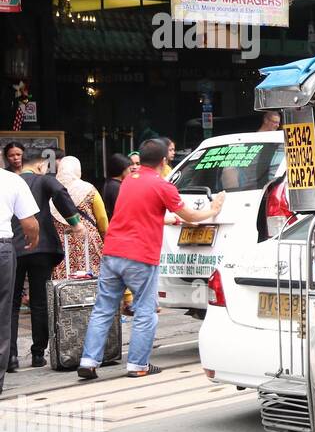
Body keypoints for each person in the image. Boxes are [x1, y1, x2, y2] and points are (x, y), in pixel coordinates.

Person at [77, 138, 225, 380]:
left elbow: (143, 214)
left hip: (113, 252)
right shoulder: (162, 186)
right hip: (140, 256)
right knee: (146, 311)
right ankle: (137, 365)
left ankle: (88, 361)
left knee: (103, 309)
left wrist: (170, 220)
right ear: (164, 161)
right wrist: (214, 209)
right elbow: (191, 215)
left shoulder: (128, 182)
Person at [10, 152, 87, 370]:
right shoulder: (43, 179)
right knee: (39, 302)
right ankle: (37, 354)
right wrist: (75, 222)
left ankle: (10, 357)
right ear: (41, 165)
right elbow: (60, 192)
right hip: (41, 248)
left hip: (12, 248)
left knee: (10, 305)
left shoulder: (10, 181)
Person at [0, 172, 39, 394]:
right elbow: (30, 224)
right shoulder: (12, 180)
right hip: (2, 248)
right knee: (2, 311)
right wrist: (32, 240)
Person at [50, 155, 109, 282]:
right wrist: (106, 237)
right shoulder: (89, 189)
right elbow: (102, 218)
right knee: (91, 277)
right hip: (88, 240)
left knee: (65, 279)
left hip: (62, 245)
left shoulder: (51, 190)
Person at [103, 153, 132, 220]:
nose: (130, 172)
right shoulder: (116, 187)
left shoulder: (110, 183)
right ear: (122, 169)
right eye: (129, 169)